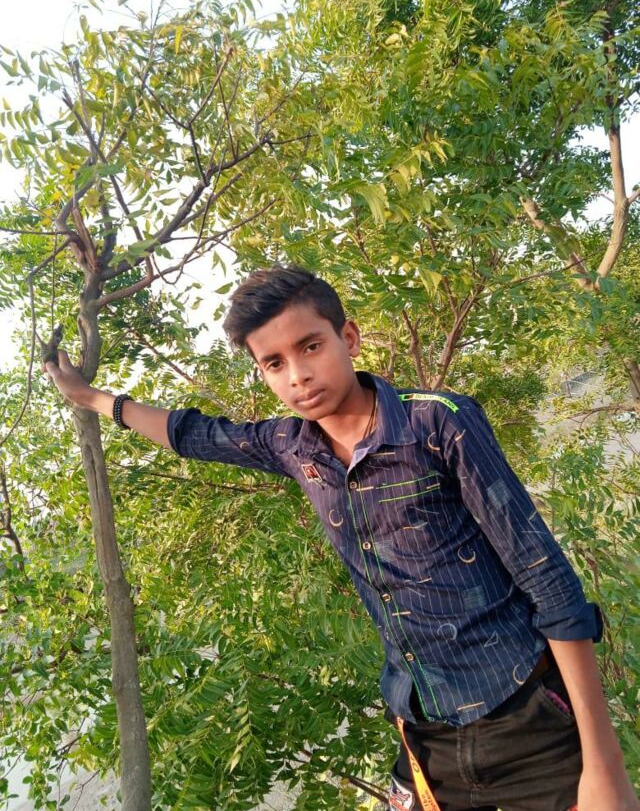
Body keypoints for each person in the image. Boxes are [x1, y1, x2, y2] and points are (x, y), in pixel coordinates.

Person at [44, 265, 638, 811]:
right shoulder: (292, 446)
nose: (298, 375)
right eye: (274, 363)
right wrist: (91, 398)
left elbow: (546, 578)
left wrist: (603, 762)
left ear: (347, 338)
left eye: (310, 347)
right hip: (424, 733)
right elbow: (192, 433)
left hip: (526, 719)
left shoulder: (437, 422)